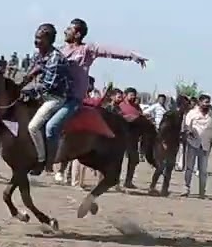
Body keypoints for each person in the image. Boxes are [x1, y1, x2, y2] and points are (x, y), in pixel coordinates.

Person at [44, 18, 146, 161]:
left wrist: (131, 55)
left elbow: (108, 50)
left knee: (52, 126)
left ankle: (47, 160)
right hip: (56, 96)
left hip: (72, 100)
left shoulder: (86, 50)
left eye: (69, 29)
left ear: (78, 34)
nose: (65, 31)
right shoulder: (60, 51)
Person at [24, 24, 69, 174]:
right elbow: (29, 73)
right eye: (35, 38)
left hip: (54, 98)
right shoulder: (38, 55)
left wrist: (28, 89)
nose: (36, 42)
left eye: (40, 39)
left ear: (49, 40)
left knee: (33, 127)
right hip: (40, 96)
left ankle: (42, 161)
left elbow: (48, 85)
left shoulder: (56, 58)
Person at [181, 93, 212, 198]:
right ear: (200, 102)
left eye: (208, 102)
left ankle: (202, 191)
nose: (207, 104)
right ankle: (186, 188)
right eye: (205, 102)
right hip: (193, 143)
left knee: (203, 170)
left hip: (205, 145)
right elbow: (186, 126)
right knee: (189, 168)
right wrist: (189, 132)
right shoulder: (192, 113)